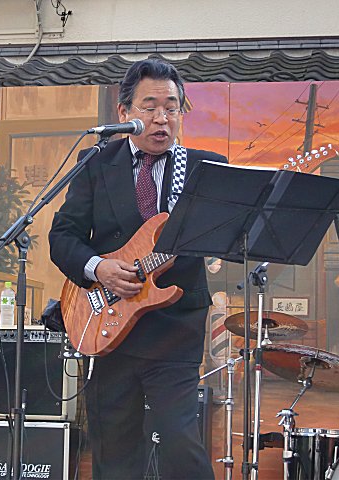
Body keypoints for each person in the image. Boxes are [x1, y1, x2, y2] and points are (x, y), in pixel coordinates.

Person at [49, 59, 226, 479]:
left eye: (172, 107)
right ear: (124, 111)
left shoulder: (206, 168)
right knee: (113, 448)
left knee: (180, 441)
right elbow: (63, 236)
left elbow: (229, 235)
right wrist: (98, 269)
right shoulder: (95, 162)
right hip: (107, 323)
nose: (162, 118)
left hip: (174, 328)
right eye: (150, 107)